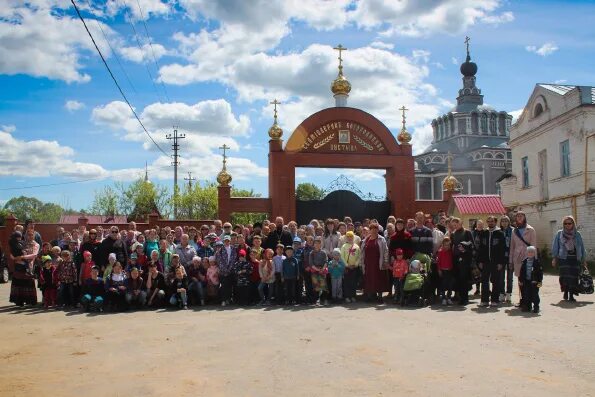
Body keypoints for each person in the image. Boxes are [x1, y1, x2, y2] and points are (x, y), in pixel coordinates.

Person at [552, 215, 587, 302]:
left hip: (575, 259)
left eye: (569, 223)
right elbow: (555, 246)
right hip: (563, 258)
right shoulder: (559, 234)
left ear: (573, 224)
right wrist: (554, 258)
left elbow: (582, 247)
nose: (567, 225)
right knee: (564, 277)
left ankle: (571, 295)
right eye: (565, 223)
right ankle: (565, 292)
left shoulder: (577, 234)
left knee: (574, 277)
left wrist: (584, 259)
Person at [477, 216, 506, 308]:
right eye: (488, 221)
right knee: (484, 281)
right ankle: (484, 300)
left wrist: (501, 263)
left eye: (492, 221)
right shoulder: (484, 233)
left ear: (496, 222)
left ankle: (494, 300)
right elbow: (480, 248)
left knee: (495, 281)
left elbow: (503, 249)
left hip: (496, 262)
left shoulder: (500, 233)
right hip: (485, 262)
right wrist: (480, 261)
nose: (490, 223)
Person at [509, 212, 537, 304]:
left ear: (524, 217)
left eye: (521, 216)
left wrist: (534, 261)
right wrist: (510, 261)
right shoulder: (514, 231)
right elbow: (512, 247)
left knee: (529, 279)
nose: (519, 218)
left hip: (528, 257)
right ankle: (522, 299)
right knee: (520, 280)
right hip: (517, 258)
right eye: (517, 216)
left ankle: (528, 299)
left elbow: (533, 246)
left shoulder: (531, 229)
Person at [360, 223, 390, 303]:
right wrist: (361, 262)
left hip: (378, 263)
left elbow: (386, 251)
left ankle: (380, 297)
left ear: (378, 230)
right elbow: (362, 252)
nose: (374, 231)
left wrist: (385, 261)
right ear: (370, 230)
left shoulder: (382, 239)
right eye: (372, 229)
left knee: (379, 279)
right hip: (368, 263)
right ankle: (370, 297)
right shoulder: (366, 240)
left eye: (375, 229)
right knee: (369, 279)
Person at [8, 231, 38, 306]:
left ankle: (30, 301)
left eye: (31, 235)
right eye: (28, 235)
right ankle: (19, 301)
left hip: (29, 266)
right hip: (18, 266)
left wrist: (22, 257)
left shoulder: (36, 244)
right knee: (19, 284)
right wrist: (14, 258)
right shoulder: (21, 243)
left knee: (29, 283)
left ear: (34, 236)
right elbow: (11, 254)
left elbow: (34, 255)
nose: (29, 236)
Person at [450, 218, 474, 306]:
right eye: (453, 225)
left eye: (456, 224)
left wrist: (464, 246)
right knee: (458, 279)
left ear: (460, 223)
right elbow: (451, 245)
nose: (455, 226)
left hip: (465, 259)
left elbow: (472, 244)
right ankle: (459, 296)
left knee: (464, 279)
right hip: (456, 258)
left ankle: (465, 298)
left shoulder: (467, 232)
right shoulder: (453, 233)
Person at [519, 246, 543, 313]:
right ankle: (527, 306)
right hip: (526, 281)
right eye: (529, 252)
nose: (530, 253)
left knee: (535, 295)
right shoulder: (524, 262)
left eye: (532, 252)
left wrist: (540, 282)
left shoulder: (537, 262)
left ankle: (536, 307)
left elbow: (540, 273)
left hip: (535, 282)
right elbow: (521, 272)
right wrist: (521, 281)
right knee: (526, 294)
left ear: (534, 253)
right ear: (527, 253)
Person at [216, 235, 237, 307]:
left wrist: (229, 269)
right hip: (223, 272)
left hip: (231, 271)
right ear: (223, 241)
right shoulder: (220, 249)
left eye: (228, 240)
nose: (227, 242)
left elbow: (234, 259)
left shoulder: (233, 248)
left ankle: (228, 299)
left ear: (230, 241)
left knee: (229, 286)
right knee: (223, 286)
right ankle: (223, 300)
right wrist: (225, 270)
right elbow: (219, 260)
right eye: (225, 241)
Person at [340, 231, 360, 303]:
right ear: (346, 238)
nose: (349, 238)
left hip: (354, 267)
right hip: (347, 268)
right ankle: (347, 296)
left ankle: (353, 296)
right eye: (348, 236)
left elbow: (359, 256)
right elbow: (341, 257)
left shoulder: (357, 246)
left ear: (353, 237)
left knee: (354, 283)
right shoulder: (344, 246)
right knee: (346, 283)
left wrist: (356, 264)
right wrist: (347, 265)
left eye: (351, 236)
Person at [309, 237, 329, 305]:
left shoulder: (323, 252)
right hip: (315, 270)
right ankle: (316, 300)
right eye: (316, 243)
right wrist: (317, 269)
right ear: (313, 244)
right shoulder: (312, 253)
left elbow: (326, 261)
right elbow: (311, 263)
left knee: (324, 286)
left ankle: (323, 300)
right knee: (316, 286)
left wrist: (323, 269)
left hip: (322, 270)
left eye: (318, 243)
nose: (317, 245)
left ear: (321, 244)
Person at [499, 216, 514, 303]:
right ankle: (501, 293)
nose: (504, 223)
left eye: (506, 221)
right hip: (501, 256)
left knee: (510, 276)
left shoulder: (513, 230)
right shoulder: (498, 231)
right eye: (503, 221)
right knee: (501, 276)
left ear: (509, 222)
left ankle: (509, 293)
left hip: (510, 255)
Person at [436, 237, 454, 305]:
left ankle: (449, 298)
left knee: (450, 285)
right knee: (443, 285)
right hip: (443, 271)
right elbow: (438, 262)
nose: (447, 246)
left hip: (450, 270)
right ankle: (443, 298)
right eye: (445, 245)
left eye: (448, 245)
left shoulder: (450, 252)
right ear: (443, 244)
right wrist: (439, 269)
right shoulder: (440, 252)